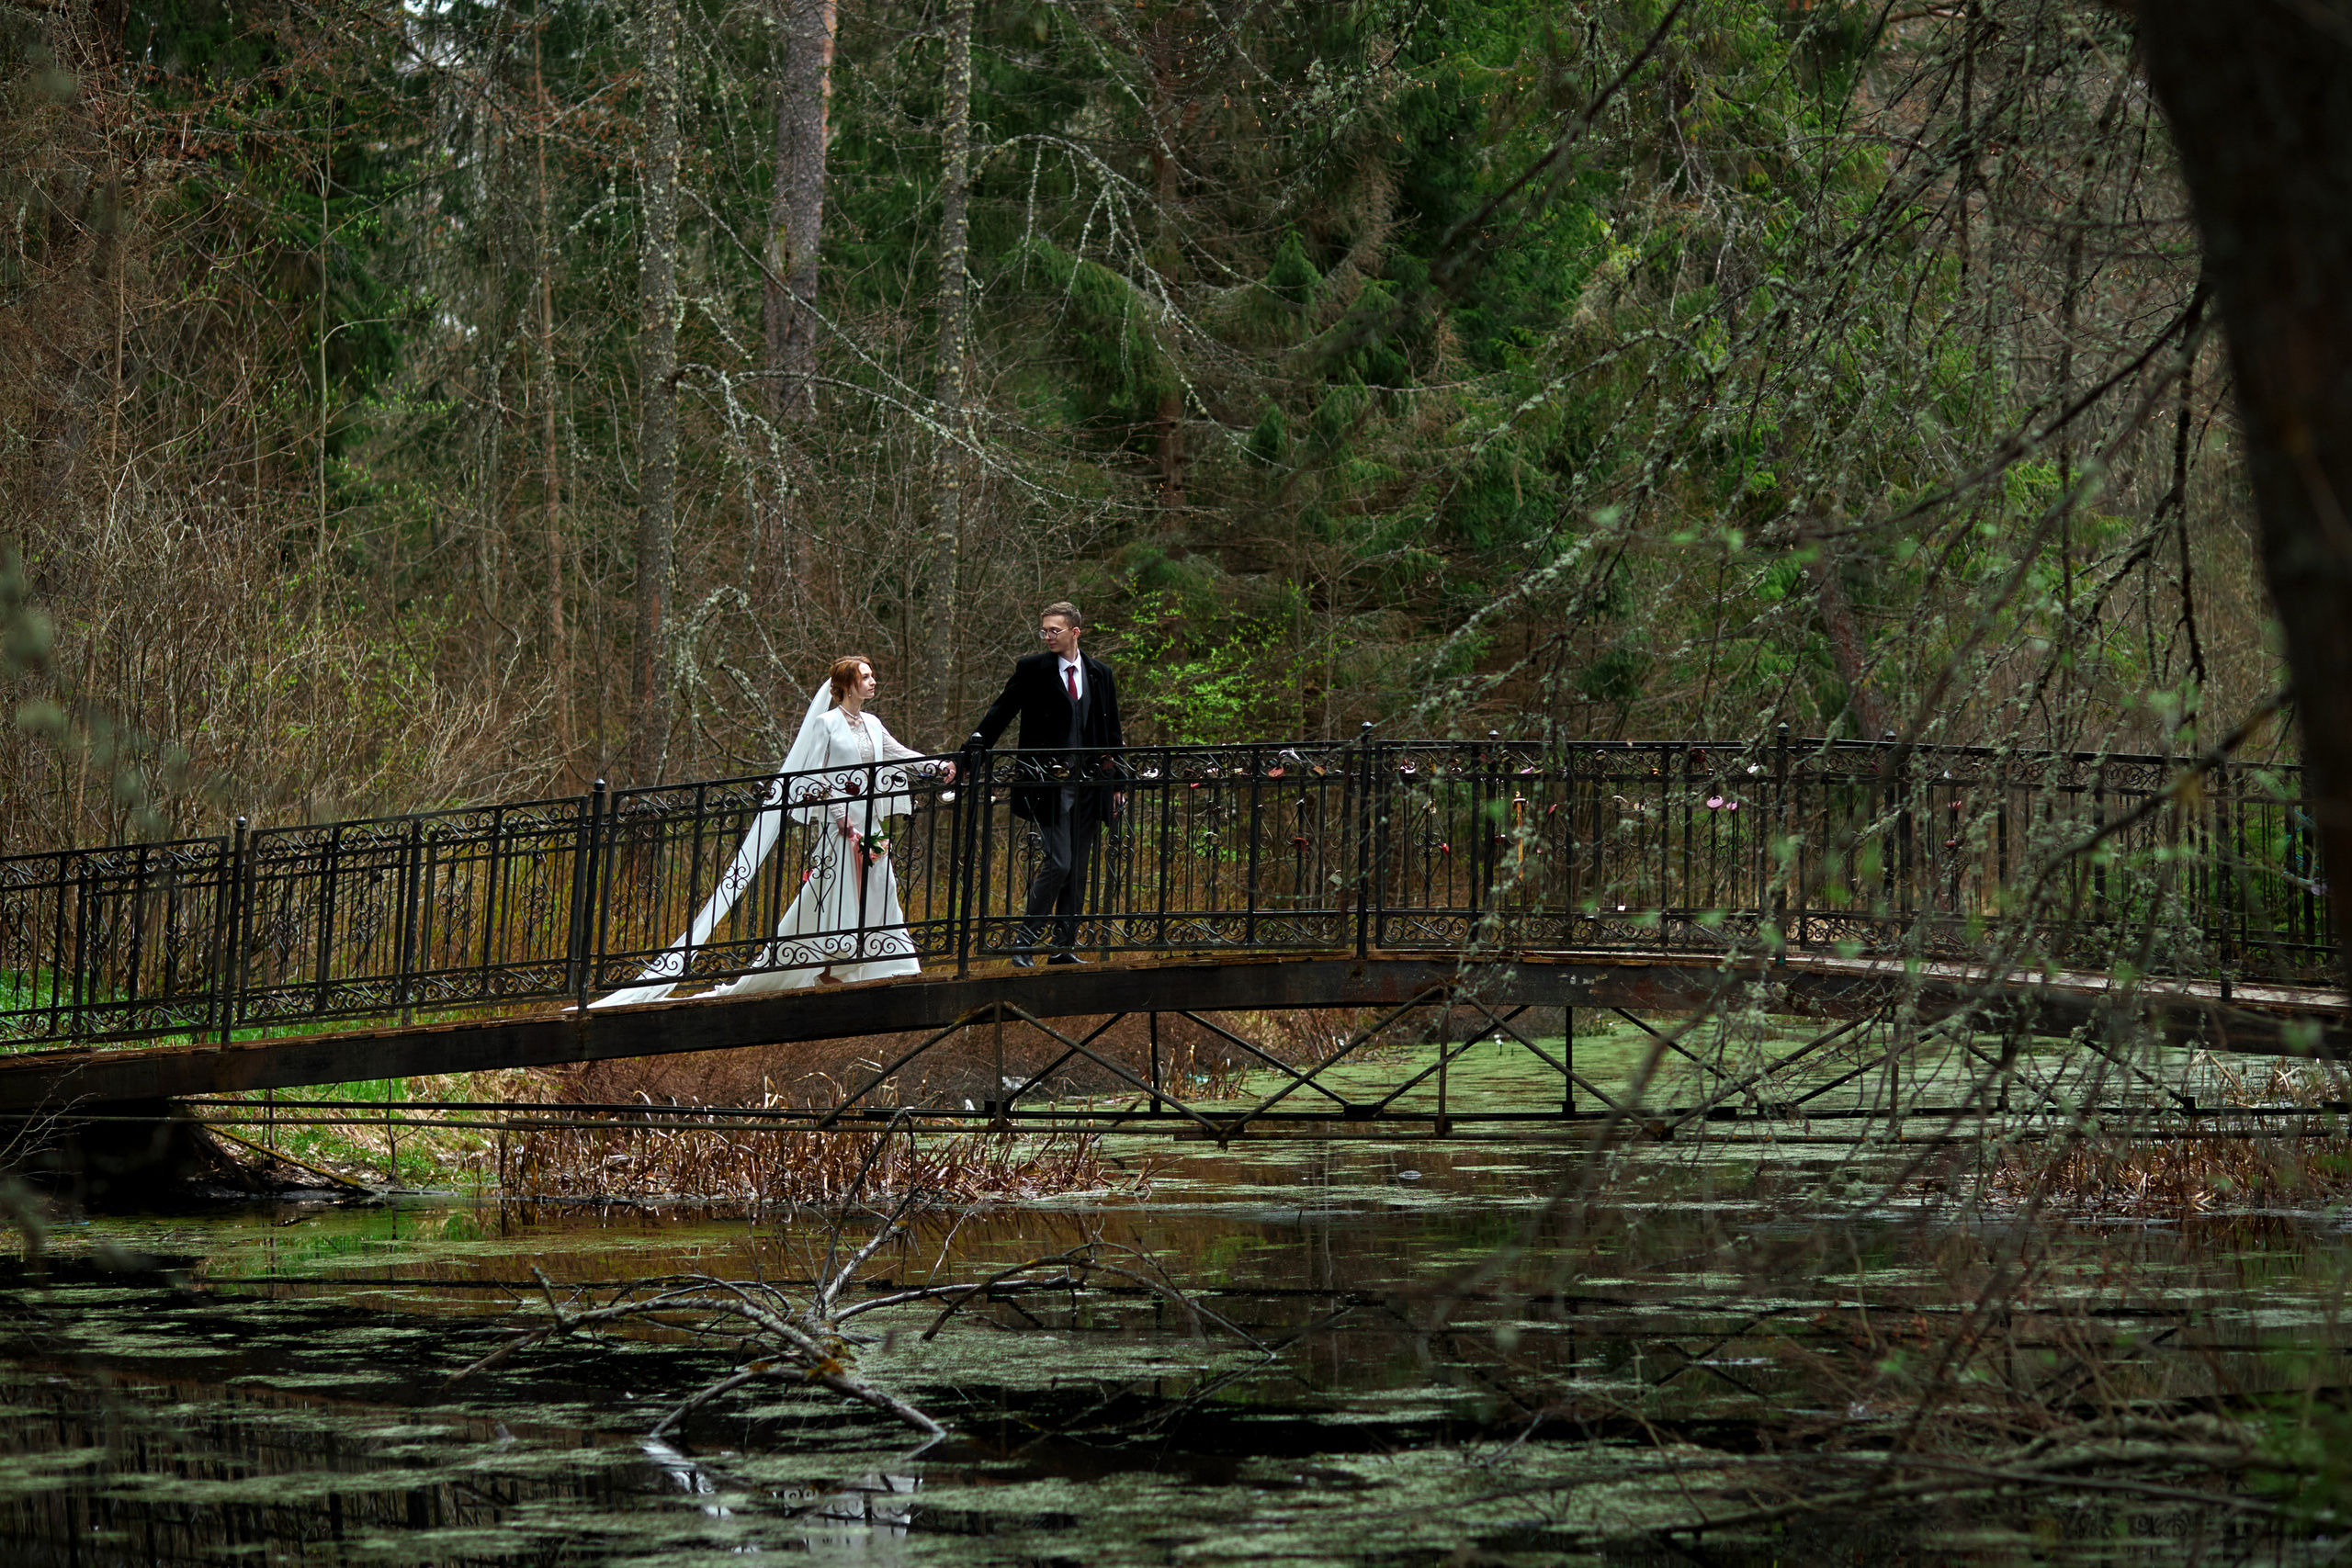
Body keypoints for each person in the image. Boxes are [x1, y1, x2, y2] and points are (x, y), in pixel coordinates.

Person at [719, 655, 956, 992]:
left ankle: (893, 962)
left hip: (870, 822)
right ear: (847, 685)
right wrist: (840, 816)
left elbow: (899, 753)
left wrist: (939, 766)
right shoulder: (826, 723)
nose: (873, 681)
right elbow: (816, 775)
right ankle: (828, 964)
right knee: (836, 894)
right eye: (865, 677)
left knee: (881, 889)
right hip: (840, 826)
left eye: (872, 675)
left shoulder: (872, 722)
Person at [970, 601, 1124, 965]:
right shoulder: (1033, 669)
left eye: (1055, 630)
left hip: (1090, 786)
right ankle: (1024, 942)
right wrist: (969, 754)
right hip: (1048, 784)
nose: (1048, 636)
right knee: (1060, 863)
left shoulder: (1099, 673)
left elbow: (1112, 730)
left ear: (1075, 632)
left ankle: (1062, 947)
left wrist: (1118, 783)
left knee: (1079, 869)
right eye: (1044, 630)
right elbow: (1000, 712)